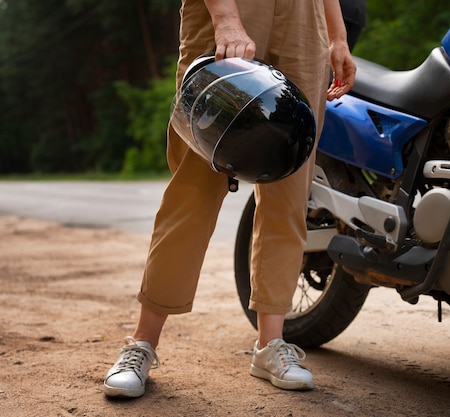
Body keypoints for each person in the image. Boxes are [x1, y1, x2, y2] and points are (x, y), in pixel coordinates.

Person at [103, 0, 356, 398]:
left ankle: (270, 345)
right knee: (195, 187)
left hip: (306, 21)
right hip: (234, 8)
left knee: (290, 185)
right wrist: (226, 19)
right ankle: (142, 344)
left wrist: (337, 36)